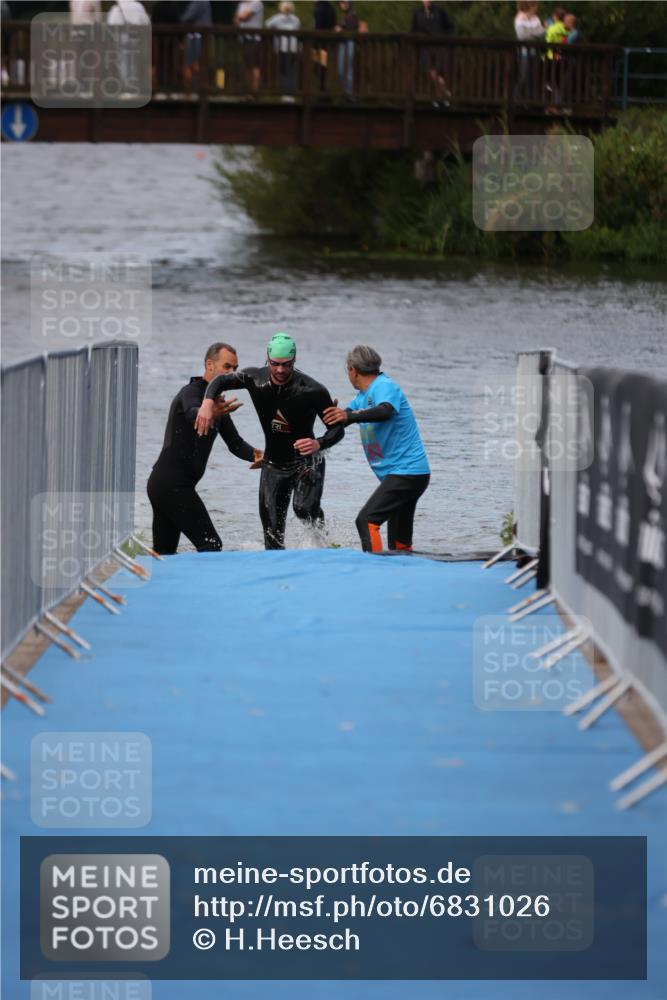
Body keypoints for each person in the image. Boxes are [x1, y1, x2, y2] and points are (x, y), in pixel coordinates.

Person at [195, 333, 344, 550]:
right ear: (267, 359)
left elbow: (337, 429)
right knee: (272, 537)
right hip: (273, 465)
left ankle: (322, 540)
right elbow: (219, 381)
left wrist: (318, 443)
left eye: (286, 365)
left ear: (294, 361)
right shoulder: (253, 378)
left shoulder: (313, 390)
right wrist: (207, 404)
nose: (280, 370)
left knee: (303, 509)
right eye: (275, 364)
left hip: (306, 462)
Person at [147, 343, 262, 555]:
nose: (232, 373)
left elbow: (235, 444)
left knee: (164, 554)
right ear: (209, 365)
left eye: (235, 368)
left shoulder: (217, 404)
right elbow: (192, 413)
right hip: (171, 485)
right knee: (211, 545)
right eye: (226, 367)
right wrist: (209, 411)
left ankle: (156, 585)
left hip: (165, 487)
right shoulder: (191, 392)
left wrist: (260, 455)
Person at [323, 345, 430, 554]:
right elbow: (342, 420)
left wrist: (349, 417)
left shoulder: (384, 385)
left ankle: (374, 571)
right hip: (405, 475)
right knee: (398, 543)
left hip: (406, 473)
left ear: (352, 369)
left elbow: (385, 411)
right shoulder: (362, 397)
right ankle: (403, 572)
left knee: (366, 521)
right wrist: (328, 415)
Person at [411, 0, 454, 108]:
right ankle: (446, 94)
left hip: (440, 47)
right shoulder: (417, 12)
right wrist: (419, 37)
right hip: (425, 47)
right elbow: (413, 30)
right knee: (431, 72)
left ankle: (439, 99)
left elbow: (449, 28)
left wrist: (442, 38)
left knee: (439, 73)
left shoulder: (440, 11)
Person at [265, 0, 301, 99]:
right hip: (293, 48)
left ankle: (285, 93)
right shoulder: (295, 19)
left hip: (282, 48)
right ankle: (291, 93)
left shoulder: (277, 18)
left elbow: (267, 24)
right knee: (292, 71)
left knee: (283, 71)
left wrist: (274, 32)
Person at [514, 1, 544, 98]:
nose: (537, 7)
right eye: (535, 5)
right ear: (530, 6)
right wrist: (535, 32)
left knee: (534, 78)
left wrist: (530, 32)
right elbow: (522, 35)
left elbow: (542, 33)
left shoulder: (536, 18)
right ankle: (516, 99)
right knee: (524, 77)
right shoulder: (520, 17)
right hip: (524, 52)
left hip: (535, 52)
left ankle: (530, 101)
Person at [235, 0, 263, 100]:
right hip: (243, 38)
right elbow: (236, 19)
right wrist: (239, 17)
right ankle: (247, 92)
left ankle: (254, 93)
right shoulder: (241, 4)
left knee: (254, 66)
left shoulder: (257, 3)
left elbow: (244, 16)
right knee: (247, 66)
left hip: (254, 39)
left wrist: (240, 17)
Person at [335, 1, 358, 99]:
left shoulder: (352, 15)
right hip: (342, 43)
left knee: (347, 69)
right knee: (340, 70)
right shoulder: (343, 15)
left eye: (345, 2)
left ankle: (350, 95)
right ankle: (345, 93)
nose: (342, 4)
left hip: (349, 43)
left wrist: (341, 30)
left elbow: (352, 29)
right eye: (341, 3)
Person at [313, 0, 336, 92]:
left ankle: (320, 89)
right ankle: (324, 89)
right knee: (324, 67)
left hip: (319, 43)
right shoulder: (331, 9)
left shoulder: (319, 9)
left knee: (318, 67)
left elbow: (317, 26)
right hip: (329, 43)